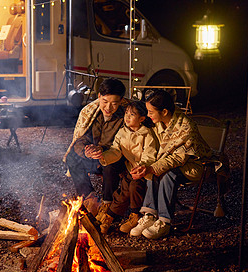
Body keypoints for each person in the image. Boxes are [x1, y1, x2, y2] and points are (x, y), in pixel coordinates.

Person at [129, 90, 212, 239]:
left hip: (195, 165)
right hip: (174, 163)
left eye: (151, 112)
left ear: (165, 111)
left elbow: (177, 159)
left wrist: (152, 167)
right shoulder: (160, 124)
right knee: (156, 169)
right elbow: (155, 150)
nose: (148, 115)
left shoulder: (186, 127)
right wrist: (146, 166)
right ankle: (149, 215)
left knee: (167, 173)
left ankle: (164, 222)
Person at [64, 78, 127, 216]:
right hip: (94, 156)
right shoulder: (91, 112)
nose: (108, 107)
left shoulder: (126, 116)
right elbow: (81, 138)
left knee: (110, 164)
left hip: (116, 156)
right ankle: (89, 197)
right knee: (72, 158)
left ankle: (107, 205)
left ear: (121, 101)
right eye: (105, 102)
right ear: (99, 97)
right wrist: (87, 151)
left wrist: (103, 151)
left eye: (114, 103)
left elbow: (127, 143)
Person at [96, 100, 157, 234]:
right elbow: (116, 150)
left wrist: (142, 167)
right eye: (126, 113)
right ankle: (109, 217)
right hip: (131, 169)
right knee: (123, 190)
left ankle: (135, 216)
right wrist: (103, 156)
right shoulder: (122, 132)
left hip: (144, 170)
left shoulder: (147, 134)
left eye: (132, 114)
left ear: (141, 118)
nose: (127, 117)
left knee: (134, 187)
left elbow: (149, 154)